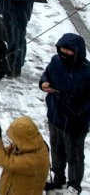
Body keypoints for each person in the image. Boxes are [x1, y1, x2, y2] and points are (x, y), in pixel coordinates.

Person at [40, 33, 90, 192]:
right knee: (56, 150)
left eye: (69, 51)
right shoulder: (56, 61)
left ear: (78, 52)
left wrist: (78, 111)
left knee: (74, 157)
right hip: (55, 117)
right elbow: (46, 75)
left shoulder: (87, 72)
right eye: (63, 50)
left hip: (75, 124)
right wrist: (44, 83)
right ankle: (59, 178)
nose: (65, 53)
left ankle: (74, 185)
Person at [0, 116, 50, 195]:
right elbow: (12, 148)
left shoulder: (34, 159)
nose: (13, 141)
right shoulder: (30, 143)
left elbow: (6, 162)